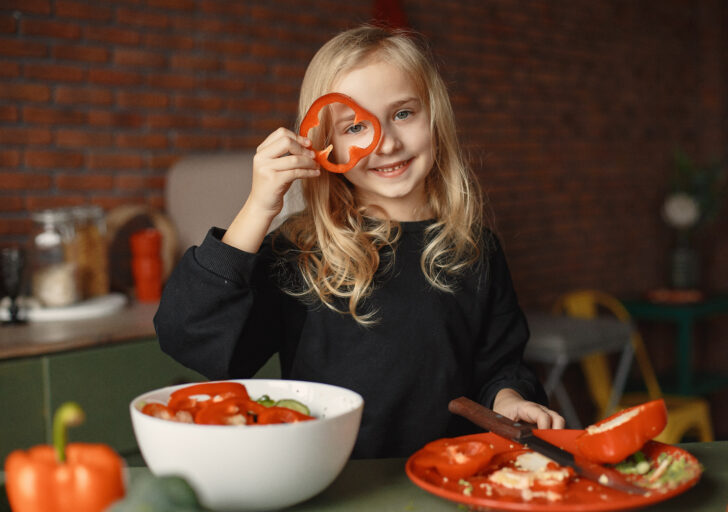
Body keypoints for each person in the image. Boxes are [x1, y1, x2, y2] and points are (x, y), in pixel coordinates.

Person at [155, 25, 564, 458]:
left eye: (402, 114)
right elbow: (192, 338)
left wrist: (509, 400)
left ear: (435, 117)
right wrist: (258, 208)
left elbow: (499, 366)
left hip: (446, 475)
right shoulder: (298, 251)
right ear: (323, 144)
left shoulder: (477, 250)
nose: (386, 143)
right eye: (354, 127)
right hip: (332, 477)